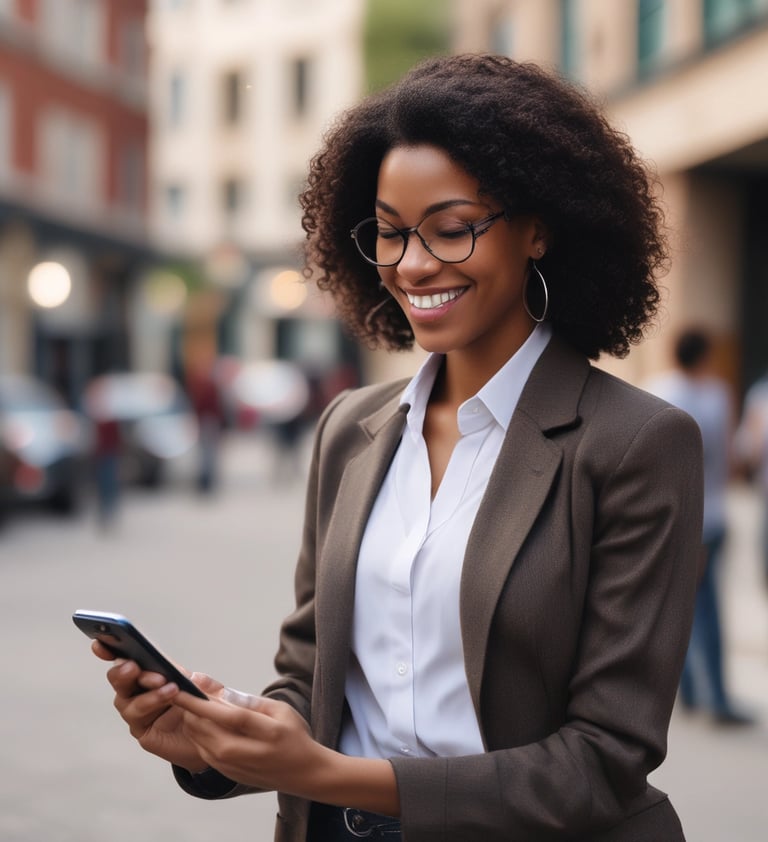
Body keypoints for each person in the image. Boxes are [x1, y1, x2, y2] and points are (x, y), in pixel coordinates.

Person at [91, 55, 704, 841]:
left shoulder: (637, 445)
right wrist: (218, 737)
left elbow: (603, 760)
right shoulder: (351, 427)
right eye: (388, 233)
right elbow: (310, 681)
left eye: (452, 230)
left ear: (540, 228)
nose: (413, 265)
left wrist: (327, 773)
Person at [646, 329, 753, 725]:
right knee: (706, 611)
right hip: (713, 513)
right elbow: (728, 458)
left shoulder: (658, 390)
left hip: (677, 514)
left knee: (680, 605)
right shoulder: (717, 395)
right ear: (705, 355)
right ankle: (717, 699)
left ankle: (690, 691)